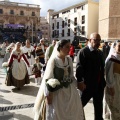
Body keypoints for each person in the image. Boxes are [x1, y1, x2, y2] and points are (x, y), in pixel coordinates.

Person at [34, 40, 84, 120]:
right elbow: (48, 78)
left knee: (73, 112)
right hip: (57, 93)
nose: (69, 49)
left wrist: (78, 84)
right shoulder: (54, 60)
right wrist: (47, 94)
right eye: (67, 47)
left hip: (70, 91)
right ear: (60, 48)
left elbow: (71, 76)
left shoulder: (69, 60)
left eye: (70, 47)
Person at [76, 33, 106, 120]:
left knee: (98, 108)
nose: (98, 42)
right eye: (96, 40)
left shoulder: (100, 53)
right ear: (90, 40)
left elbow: (102, 68)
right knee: (79, 106)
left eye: (99, 40)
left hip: (99, 86)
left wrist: (103, 82)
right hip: (87, 86)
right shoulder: (83, 52)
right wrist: (80, 82)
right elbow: (79, 68)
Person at [105, 41, 120, 120]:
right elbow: (109, 74)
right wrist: (111, 87)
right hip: (115, 85)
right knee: (113, 105)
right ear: (114, 47)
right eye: (119, 46)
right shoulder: (112, 59)